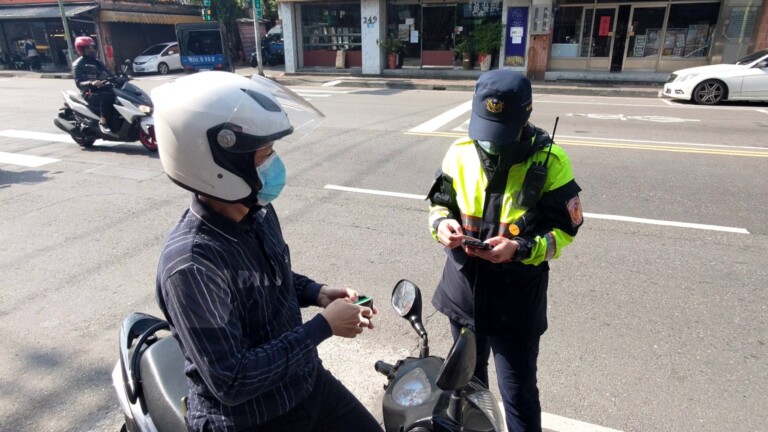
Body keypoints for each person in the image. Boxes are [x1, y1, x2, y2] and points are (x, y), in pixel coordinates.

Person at [151, 71, 384, 432]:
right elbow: (231, 380)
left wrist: (317, 293)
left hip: (305, 385)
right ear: (218, 167)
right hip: (251, 419)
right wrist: (322, 328)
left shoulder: (256, 210)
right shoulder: (191, 265)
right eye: (265, 156)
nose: (275, 164)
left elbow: (269, 275)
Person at [426, 70, 583, 432]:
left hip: (516, 301)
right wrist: (441, 226)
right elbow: (438, 205)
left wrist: (521, 248)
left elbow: (565, 232)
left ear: (525, 116)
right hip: (463, 294)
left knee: (519, 392)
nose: (491, 144)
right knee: (468, 387)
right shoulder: (460, 152)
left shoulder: (551, 162)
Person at [72, 36, 115, 133]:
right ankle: (103, 121)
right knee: (107, 96)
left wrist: (120, 77)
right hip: (89, 92)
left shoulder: (97, 61)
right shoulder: (78, 64)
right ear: (81, 49)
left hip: (102, 87)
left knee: (118, 93)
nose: (91, 50)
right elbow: (79, 83)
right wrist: (92, 82)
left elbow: (108, 73)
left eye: (92, 47)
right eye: (88, 48)